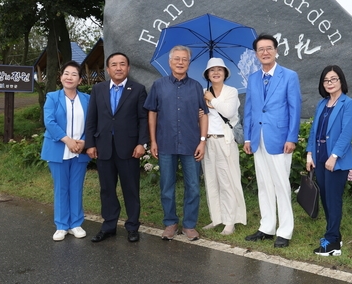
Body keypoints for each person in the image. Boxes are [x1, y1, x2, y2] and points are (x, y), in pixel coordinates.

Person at [144, 45, 209, 241]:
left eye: (184, 59)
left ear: (189, 63)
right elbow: (152, 114)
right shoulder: (158, 85)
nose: (181, 62)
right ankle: (170, 223)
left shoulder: (196, 86)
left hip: (191, 144)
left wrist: (202, 142)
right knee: (166, 185)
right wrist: (153, 140)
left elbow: (204, 115)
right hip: (165, 143)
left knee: (193, 186)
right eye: (177, 59)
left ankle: (189, 225)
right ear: (170, 62)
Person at [243, 34, 302, 248]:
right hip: (258, 139)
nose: (265, 52)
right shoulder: (252, 78)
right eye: (260, 49)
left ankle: (285, 231)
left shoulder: (289, 76)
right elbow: (249, 108)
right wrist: (247, 137)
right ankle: (267, 227)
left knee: (281, 184)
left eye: (269, 48)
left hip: (279, 139)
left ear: (276, 51)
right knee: (264, 185)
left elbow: (295, 108)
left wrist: (291, 138)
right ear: (256, 54)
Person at [85, 52, 149, 243]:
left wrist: (141, 143)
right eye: (114, 64)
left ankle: (132, 227)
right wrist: (90, 144)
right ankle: (109, 226)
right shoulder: (98, 89)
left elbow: (143, 119)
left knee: (131, 189)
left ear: (128, 68)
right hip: (104, 147)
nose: (118, 68)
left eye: (122, 64)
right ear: (108, 69)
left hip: (129, 148)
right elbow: (92, 119)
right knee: (107, 189)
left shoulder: (138, 89)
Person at [305, 65, 352, 256]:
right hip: (319, 158)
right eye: (326, 80)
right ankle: (335, 236)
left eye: (333, 79)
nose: (330, 83)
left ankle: (332, 242)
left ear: (341, 81)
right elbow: (314, 131)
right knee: (326, 199)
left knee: (333, 200)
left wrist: (334, 156)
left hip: (336, 160)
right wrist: (310, 154)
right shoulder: (322, 104)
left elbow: (346, 133)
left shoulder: (348, 104)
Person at [41, 61, 91, 241]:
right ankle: (61, 225)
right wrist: (67, 140)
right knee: (61, 188)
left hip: (80, 150)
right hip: (58, 150)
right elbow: (49, 121)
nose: (69, 77)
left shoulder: (87, 99)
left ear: (79, 80)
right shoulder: (52, 97)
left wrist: (83, 141)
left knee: (76, 187)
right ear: (61, 77)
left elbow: (92, 123)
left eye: (74, 74)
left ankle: (76, 223)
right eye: (66, 73)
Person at [201, 58, 247, 236]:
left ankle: (230, 220)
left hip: (225, 141)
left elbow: (228, 112)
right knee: (212, 181)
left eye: (220, 69)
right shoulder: (204, 92)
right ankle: (217, 218)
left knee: (228, 180)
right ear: (207, 74)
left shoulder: (231, 91)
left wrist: (212, 100)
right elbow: (201, 115)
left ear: (225, 73)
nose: (216, 72)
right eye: (212, 70)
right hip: (208, 141)